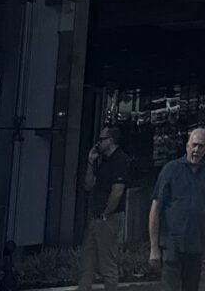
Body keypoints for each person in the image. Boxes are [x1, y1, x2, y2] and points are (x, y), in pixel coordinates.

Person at [149, 127, 205, 291]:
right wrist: (154, 248)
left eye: (201, 146)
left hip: (196, 245)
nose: (196, 150)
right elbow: (156, 208)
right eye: (194, 145)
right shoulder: (170, 170)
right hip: (171, 244)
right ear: (187, 146)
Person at [79, 125, 128, 291]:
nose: (98, 143)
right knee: (88, 261)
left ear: (110, 140)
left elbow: (117, 191)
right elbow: (88, 185)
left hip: (109, 217)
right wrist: (90, 162)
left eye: (101, 139)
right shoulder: (103, 161)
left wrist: (106, 214)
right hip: (96, 215)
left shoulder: (120, 160)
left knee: (107, 262)